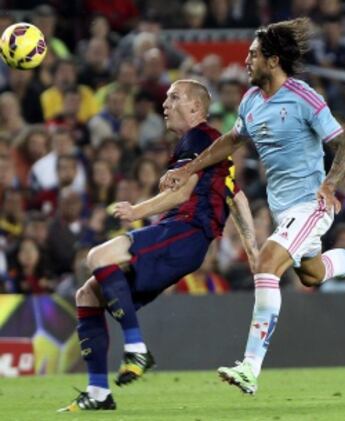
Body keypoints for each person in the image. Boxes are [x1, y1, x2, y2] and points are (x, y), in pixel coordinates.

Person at [160, 18, 345, 395]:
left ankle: (250, 367)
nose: (246, 61)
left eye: (253, 55)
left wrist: (330, 183)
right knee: (311, 273)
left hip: (312, 203)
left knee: (266, 262)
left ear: (273, 60)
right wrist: (189, 168)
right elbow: (230, 141)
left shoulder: (304, 97)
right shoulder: (250, 102)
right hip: (284, 209)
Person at [58, 79, 258, 412]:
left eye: (174, 97)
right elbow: (235, 195)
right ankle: (98, 393)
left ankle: (136, 347)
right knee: (87, 295)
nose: (165, 104)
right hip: (184, 239)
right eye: (165, 97)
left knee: (98, 255)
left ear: (195, 107)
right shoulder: (205, 147)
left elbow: (181, 193)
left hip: (186, 231)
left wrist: (135, 211)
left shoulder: (202, 138)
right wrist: (253, 248)